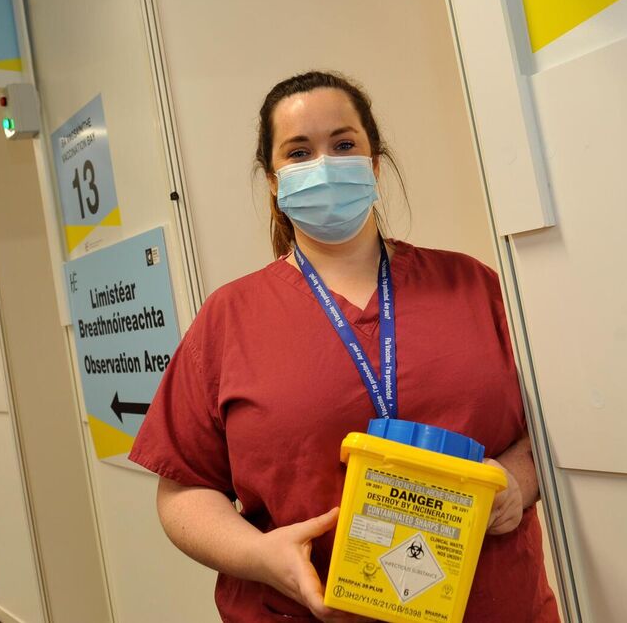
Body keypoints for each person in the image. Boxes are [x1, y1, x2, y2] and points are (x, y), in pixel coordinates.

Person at [130, 71, 559, 622]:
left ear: (374, 162)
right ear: (273, 180)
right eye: (299, 152)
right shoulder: (229, 319)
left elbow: (551, 433)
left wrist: (516, 483)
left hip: (495, 604)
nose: (325, 165)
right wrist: (261, 556)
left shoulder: (474, 286)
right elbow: (183, 491)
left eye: (344, 144)